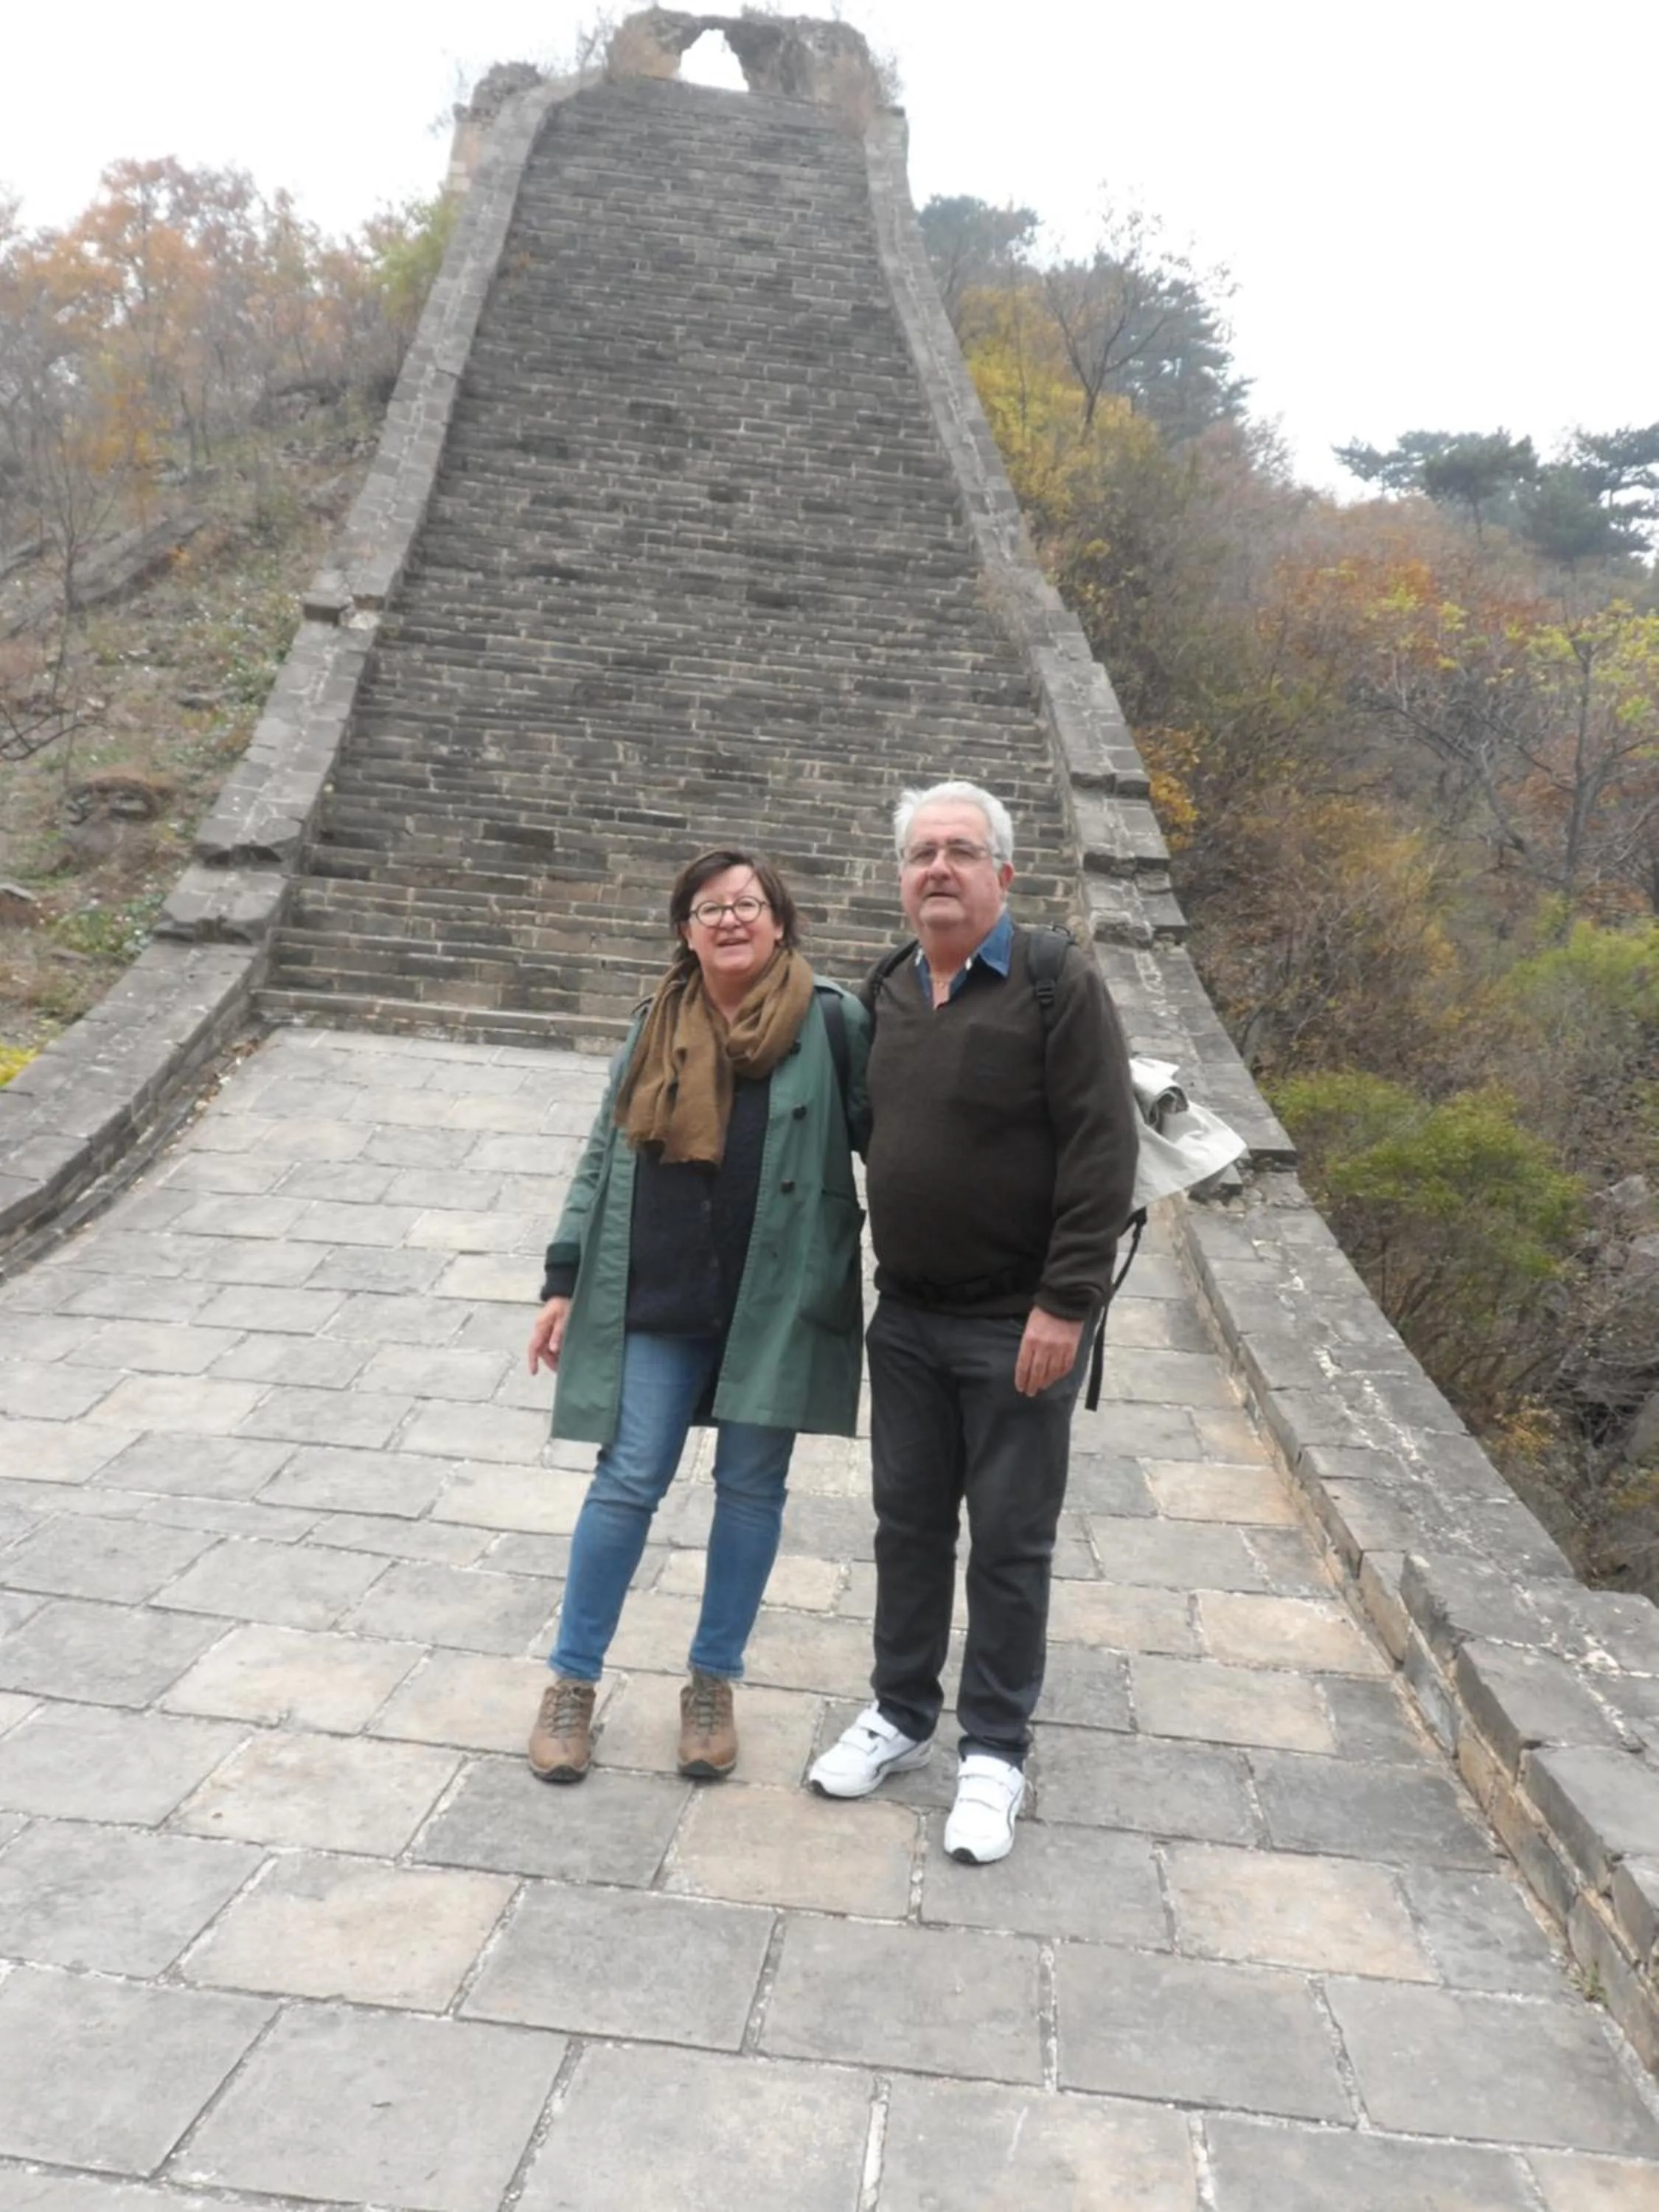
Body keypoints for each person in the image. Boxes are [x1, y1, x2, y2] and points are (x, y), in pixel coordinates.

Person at [808, 781, 1138, 1863]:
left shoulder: (1054, 980)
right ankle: (901, 1712)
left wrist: (1066, 1303)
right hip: (906, 1317)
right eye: (921, 853)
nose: (938, 868)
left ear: (1003, 872)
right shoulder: (891, 986)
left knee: (1008, 1541)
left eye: (960, 850)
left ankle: (994, 1749)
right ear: (901, 878)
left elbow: (1102, 1149)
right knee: (906, 1528)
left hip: (1017, 1325)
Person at [526, 846, 869, 1785]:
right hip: (658, 1291)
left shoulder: (831, 1021)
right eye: (710, 908)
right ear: (686, 930)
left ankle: (713, 1684)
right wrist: (563, 1278)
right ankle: (572, 1682)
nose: (730, 920)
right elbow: (601, 1156)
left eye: (747, 904)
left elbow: (900, 1138)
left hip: (777, 1296)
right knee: (627, 1480)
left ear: (780, 920)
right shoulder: (656, 1021)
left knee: (752, 1490)